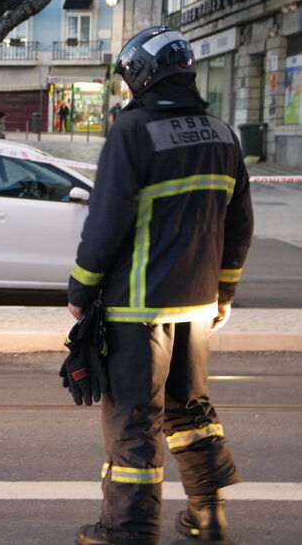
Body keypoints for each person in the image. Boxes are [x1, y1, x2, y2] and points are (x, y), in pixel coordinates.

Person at [69, 27, 253, 545]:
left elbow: (104, 224)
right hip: (197, 307)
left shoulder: (133, 132)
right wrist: (224, 294)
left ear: (143, 77)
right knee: (191, 411)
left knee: (134, 421)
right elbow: (240, 225)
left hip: (137, 310)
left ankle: (127, 529)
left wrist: (80, 290)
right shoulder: (222, 133)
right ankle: (208, 513)